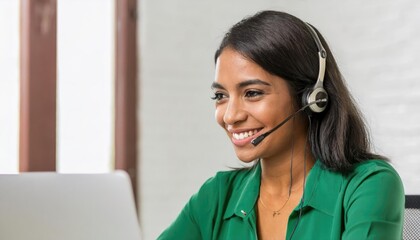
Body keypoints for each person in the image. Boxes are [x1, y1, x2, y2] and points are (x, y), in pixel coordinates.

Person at [158, 10, 404, 240]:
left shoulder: (368, 185)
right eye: (221, 96)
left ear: (311, 98)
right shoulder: (217, 196)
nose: (230, 116)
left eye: (252, 93)